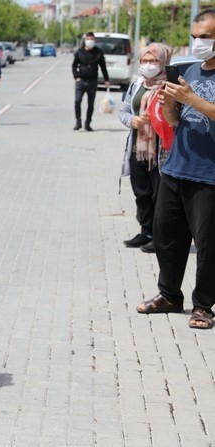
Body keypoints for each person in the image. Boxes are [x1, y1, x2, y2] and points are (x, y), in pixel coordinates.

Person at [135, 9, 215, 330]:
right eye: (195, 36)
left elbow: (199, 105)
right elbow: (172, 121)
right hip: (176, 167)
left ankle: (203, 306)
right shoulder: (190, 71)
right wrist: (168, 100)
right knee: (166, 235)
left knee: (208, 244)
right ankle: (169, 295)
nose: (199, 43)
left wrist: (191, 99)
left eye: (206, 36)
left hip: (209, 175)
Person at [118, 43, 172, 254]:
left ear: (163, 62)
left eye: (153, 61)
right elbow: (123, 111)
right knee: (141, 192)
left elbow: (177, 117)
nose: (148, 65)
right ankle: (146, 231)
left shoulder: (171, 85)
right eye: (145, 61)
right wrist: (133, 120)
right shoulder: (137, 84)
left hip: (161, 149)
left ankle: (161, 237)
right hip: (138, 146)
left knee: (160, 194)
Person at [72, 32, 110, 131]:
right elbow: (74, 65)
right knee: (77, 101)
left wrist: (106, 79)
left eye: (91, 39)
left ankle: (87, 123)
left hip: (92, 81)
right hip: (81, 81)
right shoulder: (79, 52)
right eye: (88, 39)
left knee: (91, 104)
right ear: (85, 40)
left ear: (94, 40)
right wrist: (76, 77)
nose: (90, 41)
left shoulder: (98, 52)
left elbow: (103, 67)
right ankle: (78, 121)